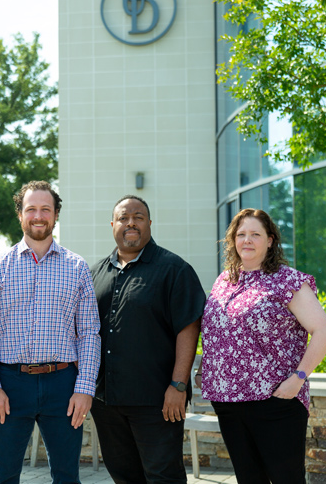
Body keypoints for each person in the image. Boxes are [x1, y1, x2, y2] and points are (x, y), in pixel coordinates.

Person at [0, 180, 101, 484]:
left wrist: (84, 388)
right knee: (3, 477)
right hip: (9, 384)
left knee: (68, 477)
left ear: (56, 215)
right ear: (20, 214)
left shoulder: (77, 267)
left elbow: (89, 333)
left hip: (63, 385)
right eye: (31, 209)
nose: (38, 215)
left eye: (46, 209)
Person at [201, 208, 326, 484]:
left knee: (286, 479)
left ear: (270, 240)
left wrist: (298, 379)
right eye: (241, 235)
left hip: (274, 401)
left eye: (255, 234)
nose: (246, 240)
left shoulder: (288, 280)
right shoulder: (224, 281)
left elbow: (324, 331)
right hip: (228, 402)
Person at [89, 195, 206, 484]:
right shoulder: (94, 274)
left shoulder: (174, 270)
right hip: (106, 401)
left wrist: (178, 385)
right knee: (124, 476)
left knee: (163, 477)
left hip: (158, 401)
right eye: (124, 217)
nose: (131, 222)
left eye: (138, 217)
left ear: (149, 223)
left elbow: (188, 329)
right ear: (112, 225)